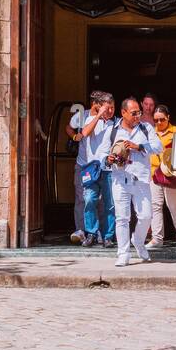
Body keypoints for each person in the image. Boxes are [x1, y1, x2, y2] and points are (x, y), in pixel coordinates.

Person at [105, 97, 164, 267]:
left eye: (139, 112)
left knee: (146, 216)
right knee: (122, 218)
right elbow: (102, 153)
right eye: (134, 113)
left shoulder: (146, 128)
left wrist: (139, 146)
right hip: (119, 179)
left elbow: (158, 147)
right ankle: (123, 253)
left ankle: (137, 241)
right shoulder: (113, 130)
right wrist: (108, 159)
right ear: (123, 113)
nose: (138, 115)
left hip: (141, 179)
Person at [70, 92, 117, 246]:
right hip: (90, 168)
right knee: (89, 199)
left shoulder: (116, 123)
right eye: (107, 108)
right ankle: (90, 232)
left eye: (112, 107)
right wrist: (98, 117)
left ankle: (107, 236)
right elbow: (84, 133)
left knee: (108, 203)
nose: (110, 111)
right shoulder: (89, 119)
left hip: (108, 169)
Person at [147, 104, 176, 249]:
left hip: (172, 174)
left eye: (162, 119)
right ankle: (157, 238)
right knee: (155, 207)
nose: (159, 123)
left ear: (168, 117)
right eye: (156, 120)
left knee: (174, 206)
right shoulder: (150, 133)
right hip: (154, 174)